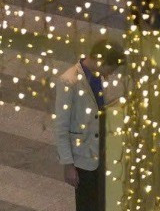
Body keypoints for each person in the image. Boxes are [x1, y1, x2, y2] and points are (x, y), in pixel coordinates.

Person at [55, 39, 125, 210]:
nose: (110, 73)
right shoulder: (69, 81)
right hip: (84, 157)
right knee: (87, 205)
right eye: (110, 68)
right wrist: (68, 165)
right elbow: (61, 127)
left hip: (104, 152)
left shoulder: (100, 76)